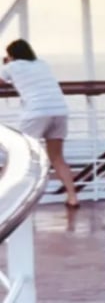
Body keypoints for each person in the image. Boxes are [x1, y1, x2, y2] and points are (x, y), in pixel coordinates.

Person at [0, 39, 79, 207]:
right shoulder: (42, 64)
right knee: (57, 158)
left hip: (36, 113)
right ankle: (72, 197)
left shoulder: (11, 67)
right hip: (59, 111)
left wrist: (7, 65)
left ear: (11, 55)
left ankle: (22, 199)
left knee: (23, 155)